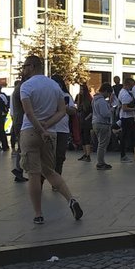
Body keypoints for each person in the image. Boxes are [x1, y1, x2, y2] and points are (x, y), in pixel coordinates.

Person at [18, 54, 83, 224]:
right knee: (49, 171)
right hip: (51, 133)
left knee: (33, 173)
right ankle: (71, 199)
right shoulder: (54, 86)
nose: (24, 70)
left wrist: (40, 128)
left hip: (30, 131)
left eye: (25, 66)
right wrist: (47, 125)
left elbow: (29, 113)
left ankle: (38, 214)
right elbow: (62, 111)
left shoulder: (26, 86)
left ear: (32, 66)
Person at [91, 84, 114, 170]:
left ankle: (101, 162)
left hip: (96, 122)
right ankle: (100, 163)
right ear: (105, 91)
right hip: (103, 124)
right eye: (108, 93)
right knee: (102, 145)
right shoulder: (101, 101)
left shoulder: (94, 99)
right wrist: (111, 110)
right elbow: (105, 114)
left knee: (101, 144)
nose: (108, 96)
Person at [76, 83, 94, 162]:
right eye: (80, 89)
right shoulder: (79, 98)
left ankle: (88, 155)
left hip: (86, 120)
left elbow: (91, 111)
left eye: (82, 89)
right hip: (80, 120)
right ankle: (85, 153)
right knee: (82, 137)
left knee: (86, 137)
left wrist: (87, 118)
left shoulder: (89, 99)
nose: (81, 91)